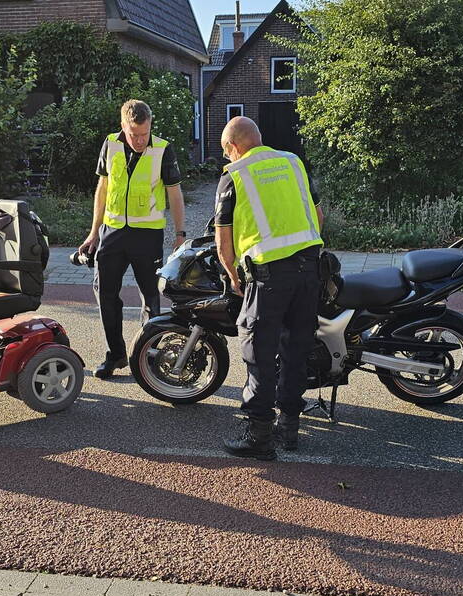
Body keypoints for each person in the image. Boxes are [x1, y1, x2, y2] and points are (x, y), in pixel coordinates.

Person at [213, 116, 324, 459]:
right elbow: (318, 215)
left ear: (232, 147)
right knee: (296, 348)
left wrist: (233, 276)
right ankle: (289, 428)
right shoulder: (293, 163)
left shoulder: (234, 175)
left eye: (225, 152)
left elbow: (223, 240)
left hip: (269, 276)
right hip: (310, 269)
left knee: (259, 352)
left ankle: (259, 436)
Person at [78, 100, 187, 379]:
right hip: (112, 234)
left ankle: (149, 358)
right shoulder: (110, 144)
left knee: (151, 298)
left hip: (147, 236)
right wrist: (93, 233)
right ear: (123, 126)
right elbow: (102, 189)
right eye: (134, 134)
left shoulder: (163, 148)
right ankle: (115, 355)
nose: (140, 140)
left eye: (144, 134)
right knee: (105, 295)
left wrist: (180, 234)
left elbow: (175, 193)